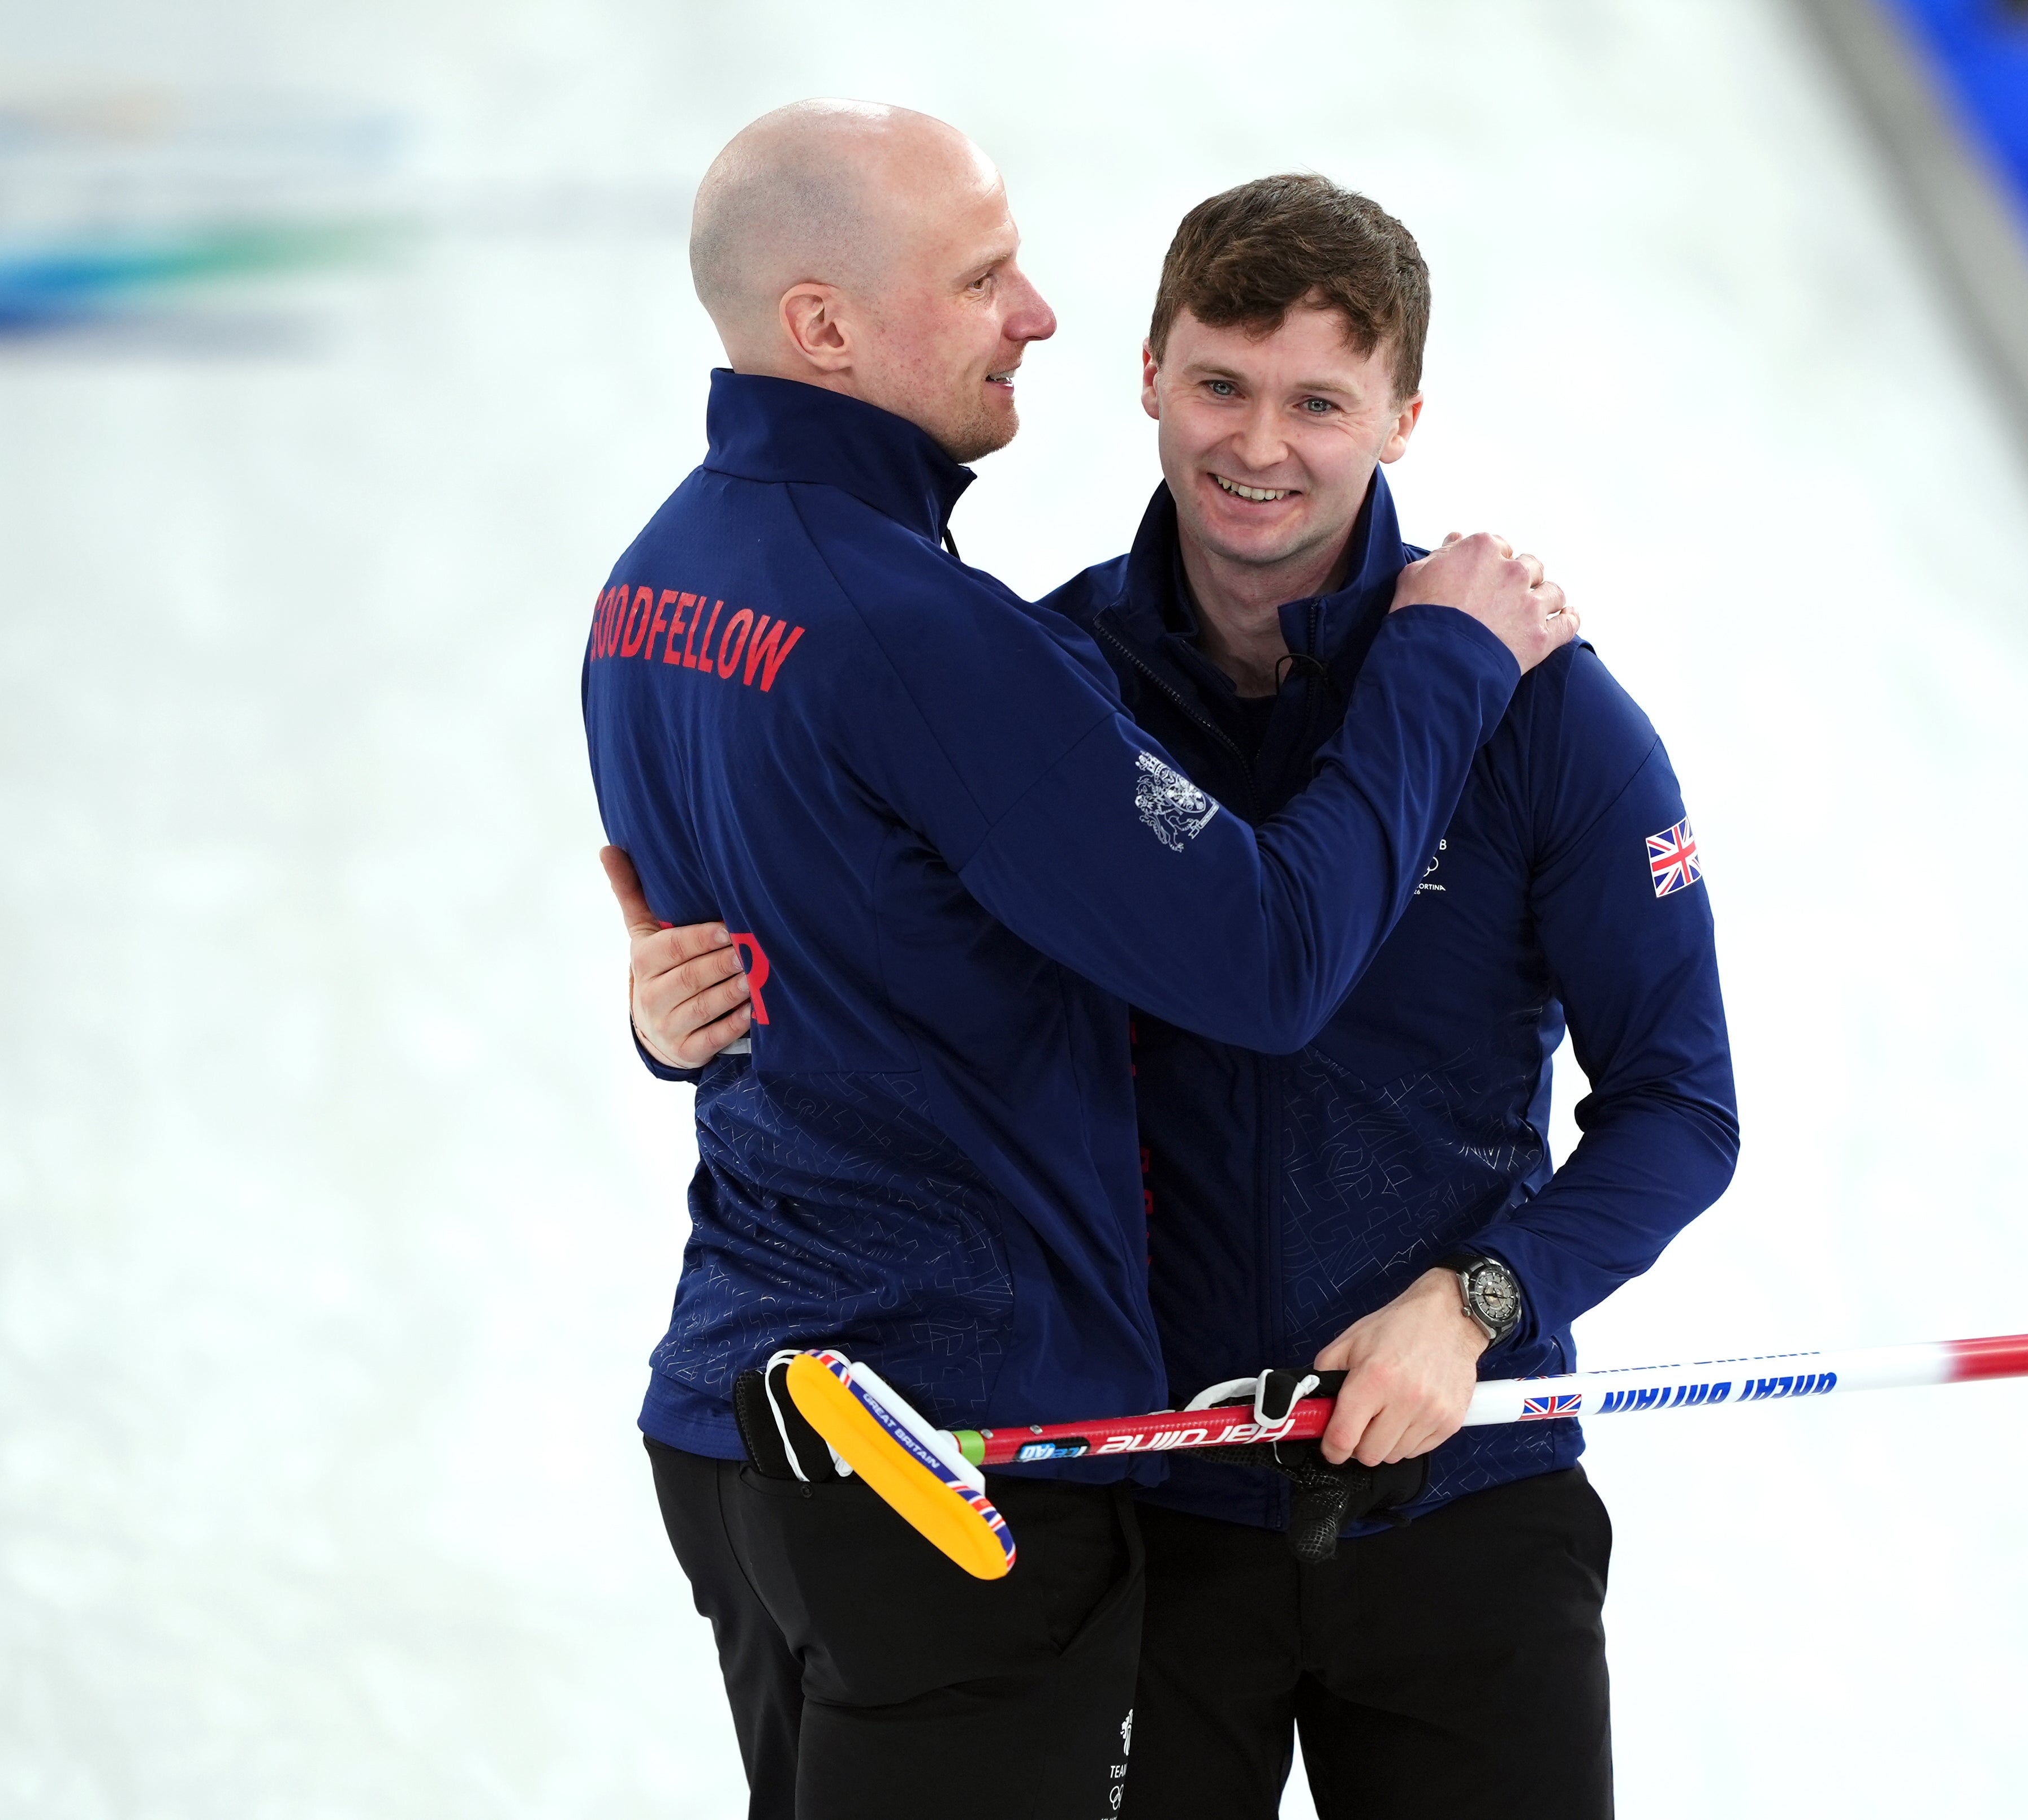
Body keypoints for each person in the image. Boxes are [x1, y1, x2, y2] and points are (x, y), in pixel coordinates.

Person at [619, 173, 1737, 1819]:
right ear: (1148, 374)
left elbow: (1680, 1109)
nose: (1259, 445)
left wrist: (1479, 1302)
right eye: (1220, 382)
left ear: (1405, 417)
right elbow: (902, 995)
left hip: (1470, 1510)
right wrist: (684, 1006)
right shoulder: (1048, 682)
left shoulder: (1546, 720)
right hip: (1149, 1516)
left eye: (1320, 402)